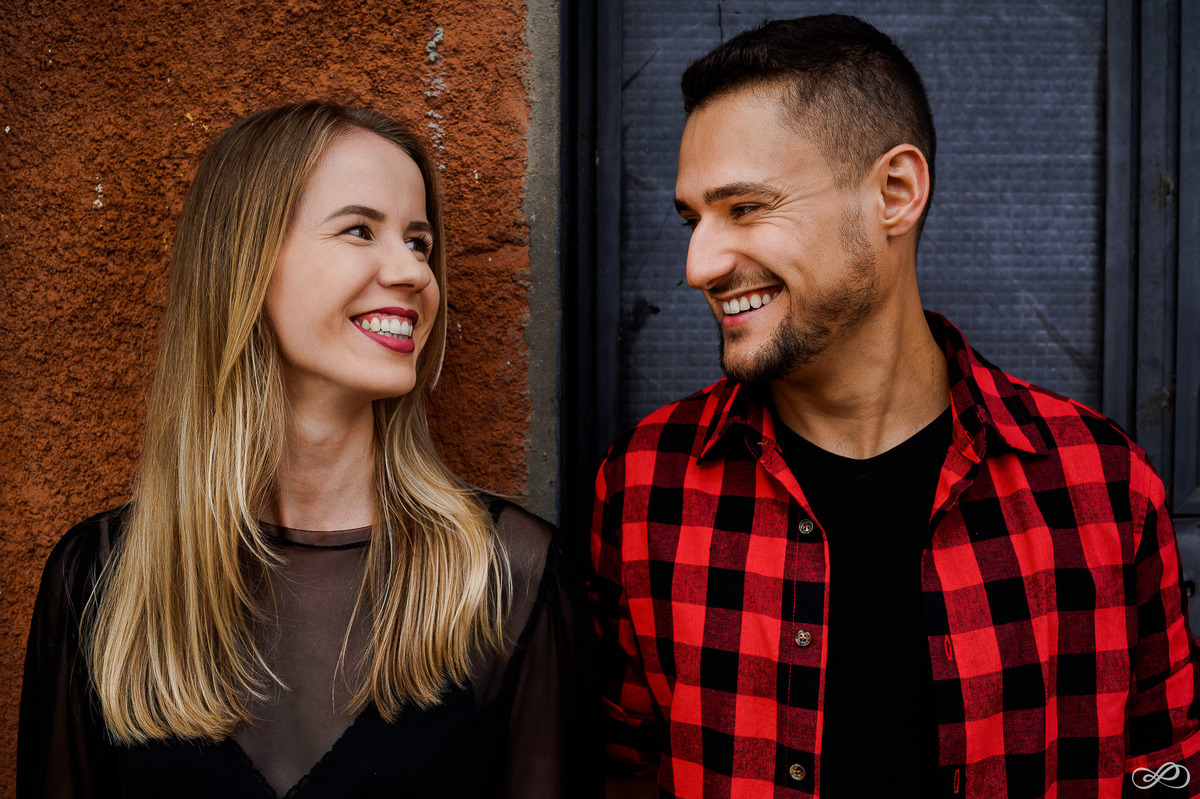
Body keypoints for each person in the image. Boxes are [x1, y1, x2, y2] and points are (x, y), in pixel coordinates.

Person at [590, 14, 1200, 798]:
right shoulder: (649, 486)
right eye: (691, 218)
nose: (698, 265)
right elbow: (624, 775)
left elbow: (1166, 774)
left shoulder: (1098, 488)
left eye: (744, 208)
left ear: (896, 192)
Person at [19, 101, 595, 798]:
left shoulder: (507, 576)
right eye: (361, 229)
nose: (413, 271)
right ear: (247, 264)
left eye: (419, 242)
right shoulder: (101, 582)